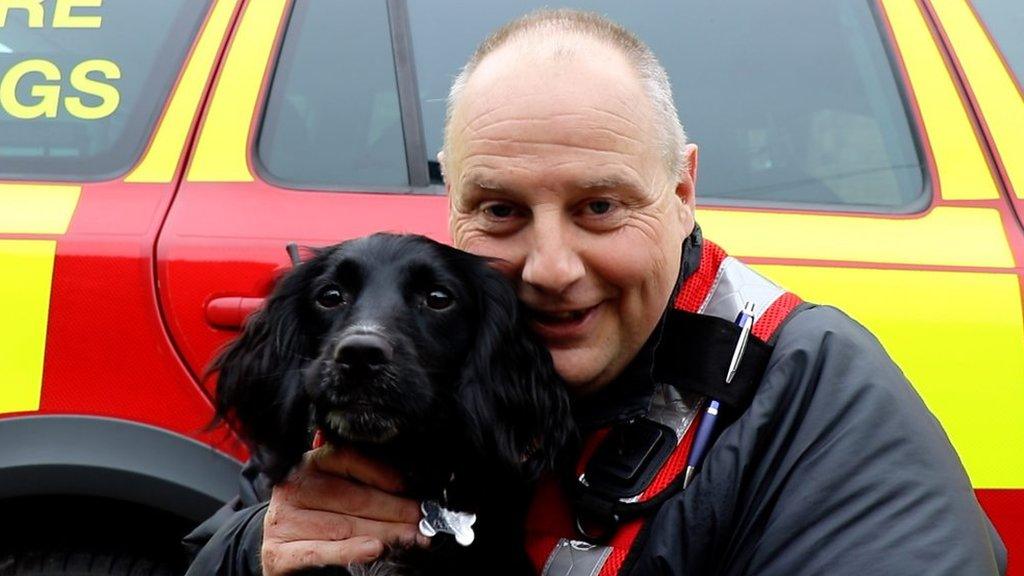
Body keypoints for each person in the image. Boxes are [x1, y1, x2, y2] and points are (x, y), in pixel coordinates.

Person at [185, 9, 1007, 575]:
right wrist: (263, 548)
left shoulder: (814, 395)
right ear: (453, 211)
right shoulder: (427, 374)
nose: (550, 267)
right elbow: (222, 546)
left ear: (683, 190)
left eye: (600, 207)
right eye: (502, 210)